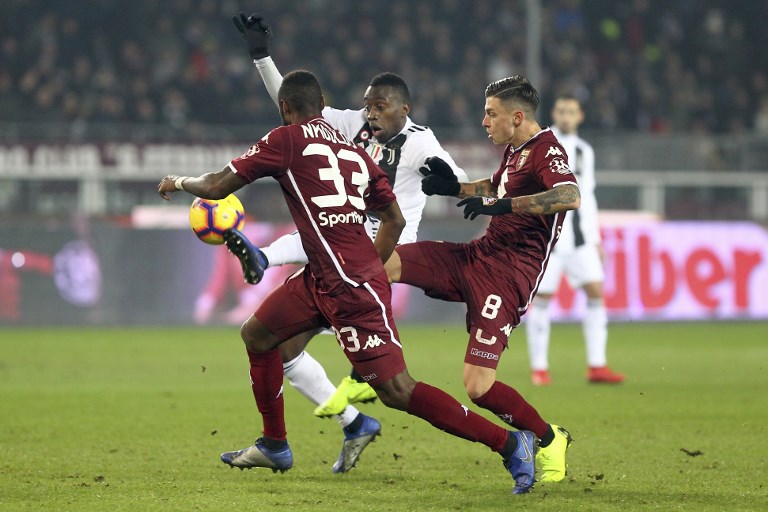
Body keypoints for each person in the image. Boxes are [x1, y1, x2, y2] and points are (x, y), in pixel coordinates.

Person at [157, 70, 539, 494]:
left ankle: (509, 443)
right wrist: (371, 263)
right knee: (260, 336)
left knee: (398, 391)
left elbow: (214, 186)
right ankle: (275, 443)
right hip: (326, 275)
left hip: (352, 287)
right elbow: (391, 217)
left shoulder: (285, 139)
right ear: (324, 107)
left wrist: (177, 182)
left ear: (286, 110)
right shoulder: (354, 152)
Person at [231, 13, 468, 426]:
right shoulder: (351, 125)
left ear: (403, 110)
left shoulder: (419, 141)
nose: (371, 114)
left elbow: (453, 173)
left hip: (383, 256)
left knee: (394, 386)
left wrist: (449, 180)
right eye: (367, 106)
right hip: (344, 246)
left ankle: (266, 259)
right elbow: (295, 108)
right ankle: (355, 420)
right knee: (282, 349)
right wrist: (261, 57)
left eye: (380, 107)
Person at [384, 75, 579, 484]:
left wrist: (504, 205)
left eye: (491, 113)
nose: (484, 121)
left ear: (517, 116)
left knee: (477, 386)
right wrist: (452, 188)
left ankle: (548, 438)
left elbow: (568, 196)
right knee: (384, 263)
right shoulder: (514, 150)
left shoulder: (547, 151)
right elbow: (495, 187)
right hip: (476, 256)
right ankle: (366, 356)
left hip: (508, 278)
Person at [525, 94, 624, 385]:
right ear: (554, 114)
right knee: (542, 300)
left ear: (580, 116)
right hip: (549, 242)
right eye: (561, 111)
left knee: (596, 294)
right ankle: (539, 368)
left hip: (580, 240)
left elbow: (588, 197)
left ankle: (597, 365)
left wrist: (594, 239)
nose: (566, 116)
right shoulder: (540, 146)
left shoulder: (584, 151)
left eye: (571, 111)